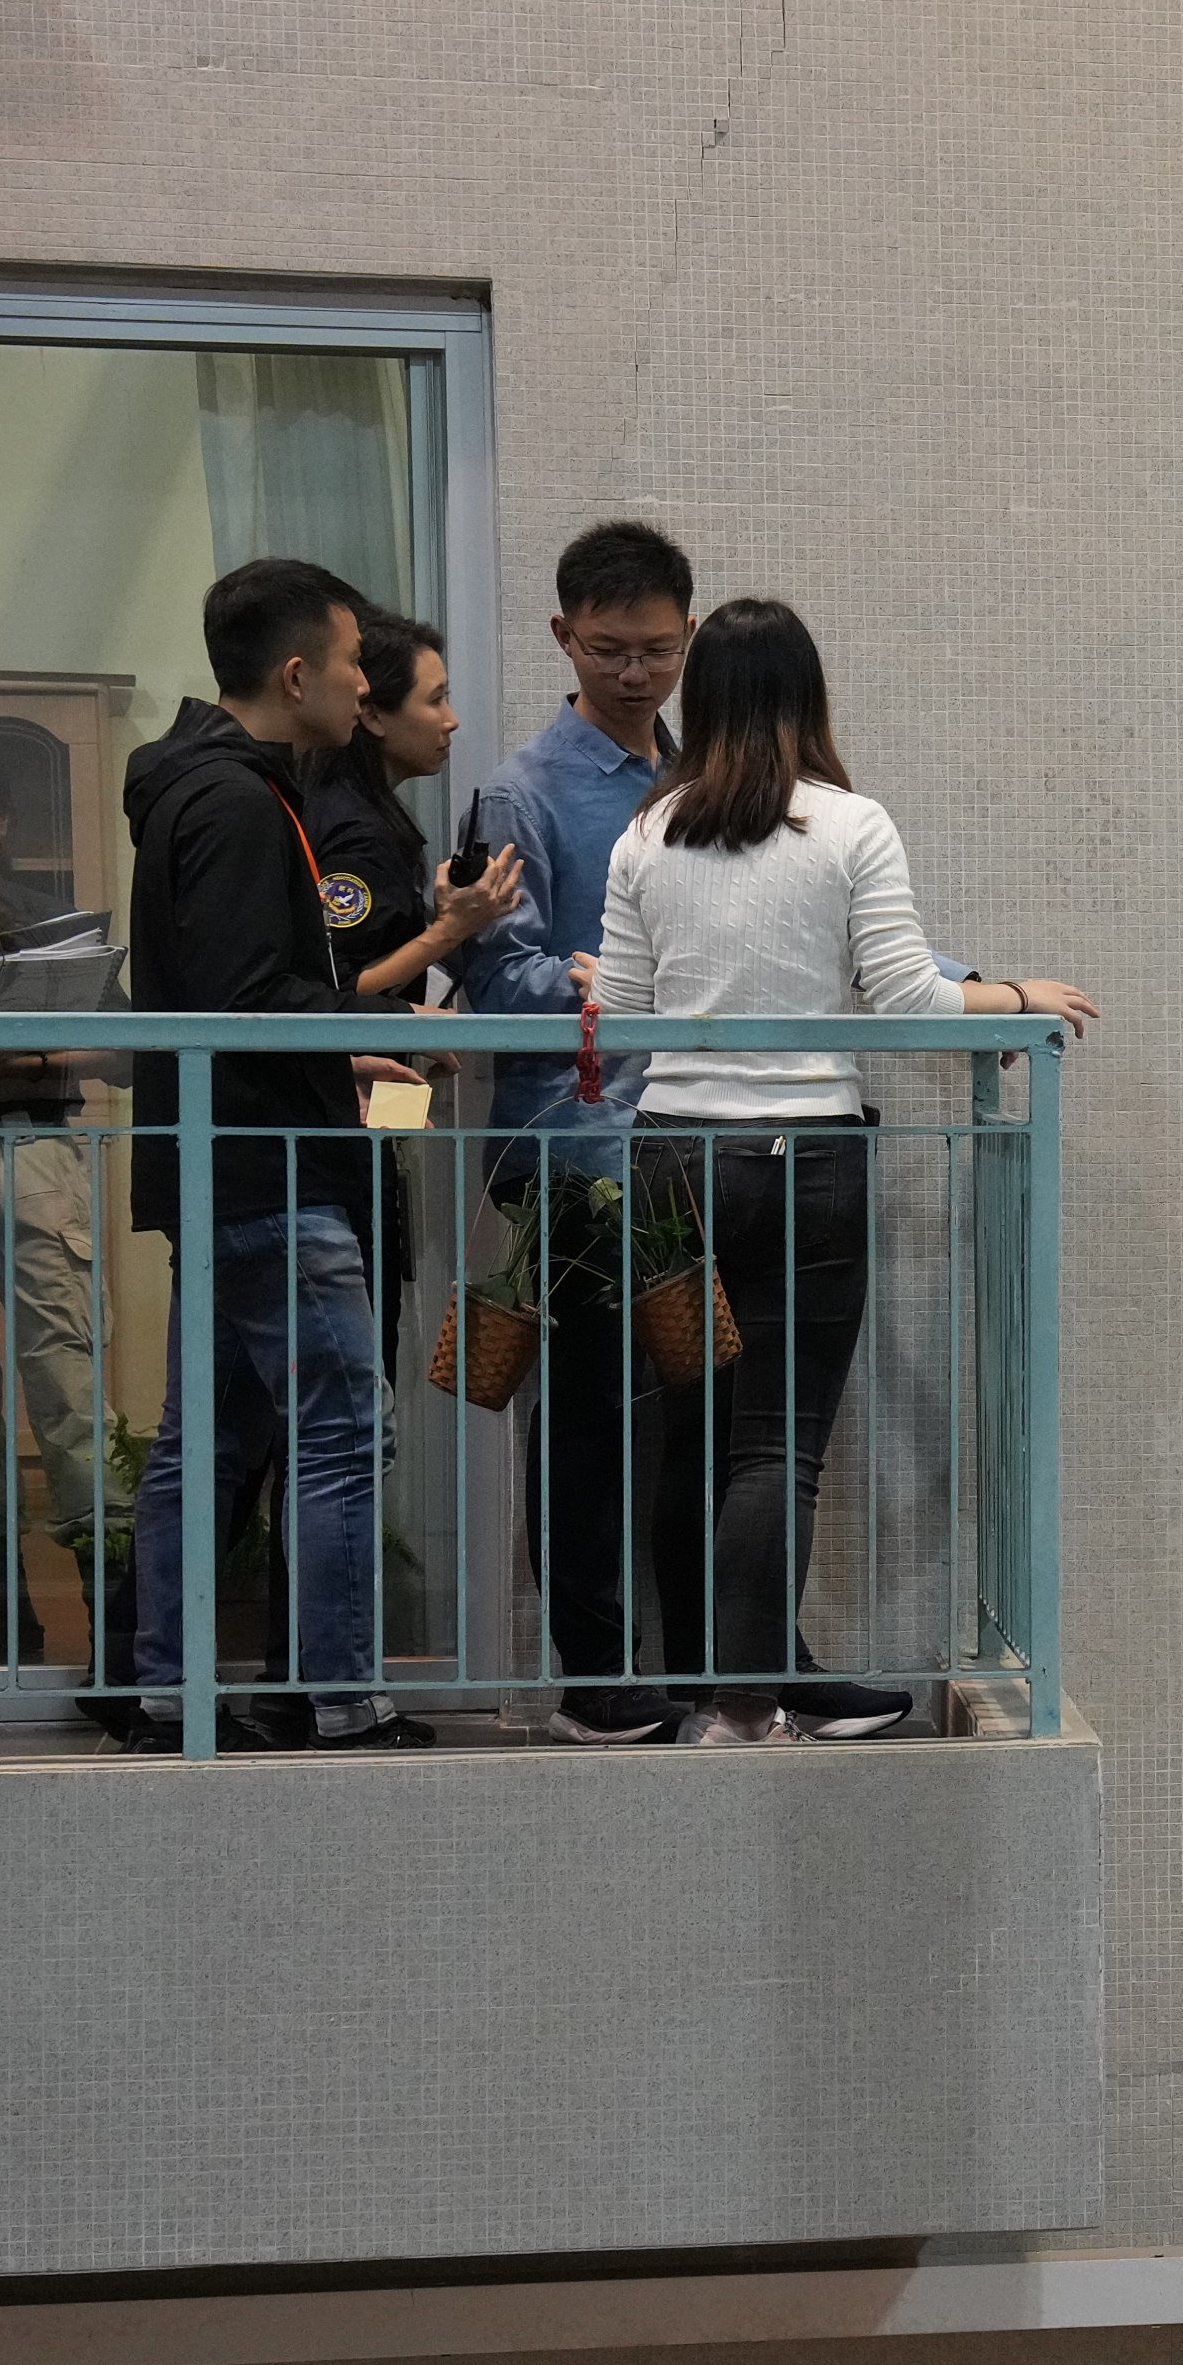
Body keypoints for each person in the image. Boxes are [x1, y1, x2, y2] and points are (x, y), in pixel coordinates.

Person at [590, 598, 1096, 1743]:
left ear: (701, 696)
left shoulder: (647, 832)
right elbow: (908, 994)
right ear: (806, 696)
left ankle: (704, 1691)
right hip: (804, 1155)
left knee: (692, 1432)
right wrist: (1015, 997)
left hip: (670, 1154)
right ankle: (749, 1698)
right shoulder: (851, 825)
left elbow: (618, 1009)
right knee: (775, 1443)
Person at [118, 557, 432, 1751]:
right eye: (353, 663)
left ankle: (168, 1694)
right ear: (296, 675)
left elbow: (236, 994)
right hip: (272, 1172)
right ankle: (343, 1700)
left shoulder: (204, 790)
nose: (365, 684)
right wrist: (354, 1032)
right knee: (341, 1428)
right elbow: (250, 999)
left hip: (226, 1166)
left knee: (207, 1443)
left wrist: (342, 1045)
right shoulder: (241, 804)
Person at [455, 522, 693, 1746]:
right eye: (609, 651)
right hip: (573, 1142)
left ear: (688, 635)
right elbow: (493, 981)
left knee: (696, 1401)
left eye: (657, 649)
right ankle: (594, 1671)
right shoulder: (522, 790)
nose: (636, 673)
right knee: (595, 1408)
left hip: (691, 1131)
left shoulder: (704, 778)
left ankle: (701, 1663)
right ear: (563, 638)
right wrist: (586, 979)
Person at [302, 609, 527, 1364]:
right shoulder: (353, 830)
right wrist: (451, 929)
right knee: (356, 1361)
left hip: (367, 1115)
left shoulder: (372, 815)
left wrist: (440, 930)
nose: (452, 720)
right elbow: (341, 985)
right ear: (372, 713)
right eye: (435, 699)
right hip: (333, 1122)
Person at [0, 755, 114, 1668]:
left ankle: (114, 1614)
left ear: (3, 822)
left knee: (64, 1375)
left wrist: (25, 1058)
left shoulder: (49, 924)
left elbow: (123, 1048)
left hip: (35, 1144)